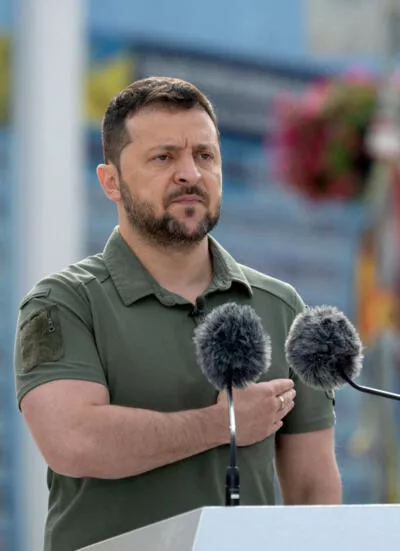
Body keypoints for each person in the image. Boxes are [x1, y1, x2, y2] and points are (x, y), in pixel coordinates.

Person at [13, 76, 342, 551]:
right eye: (164, 157)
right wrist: (222, 424)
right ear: (111, 182)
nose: (190, 174)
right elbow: (74, 441)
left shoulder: (281, 305)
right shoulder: (64, 302)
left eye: (204, 156)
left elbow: (314, 489)